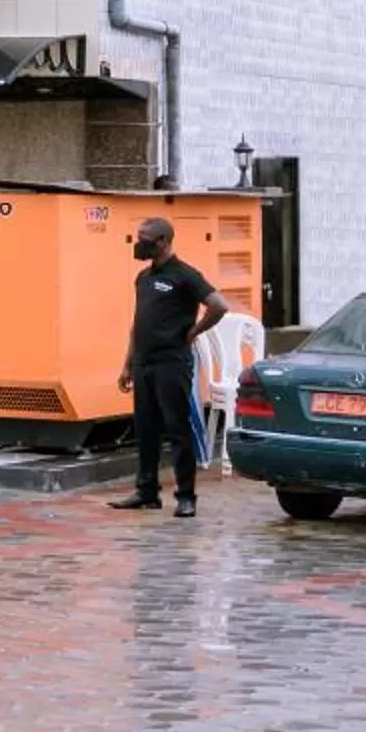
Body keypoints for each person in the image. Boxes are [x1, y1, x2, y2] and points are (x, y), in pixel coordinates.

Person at [110, 215, 228, 516]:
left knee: (177, 429)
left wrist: (194, 332)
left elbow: (218, 305)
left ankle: (186, 496)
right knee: (145, 429)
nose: (139, 243)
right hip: (143, 364)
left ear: (162, 241)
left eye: (145, 237)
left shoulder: (185, 275)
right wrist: (127, 364)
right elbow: (138, 324)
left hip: (171, 363)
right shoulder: (144, 278)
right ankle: (146, 491)